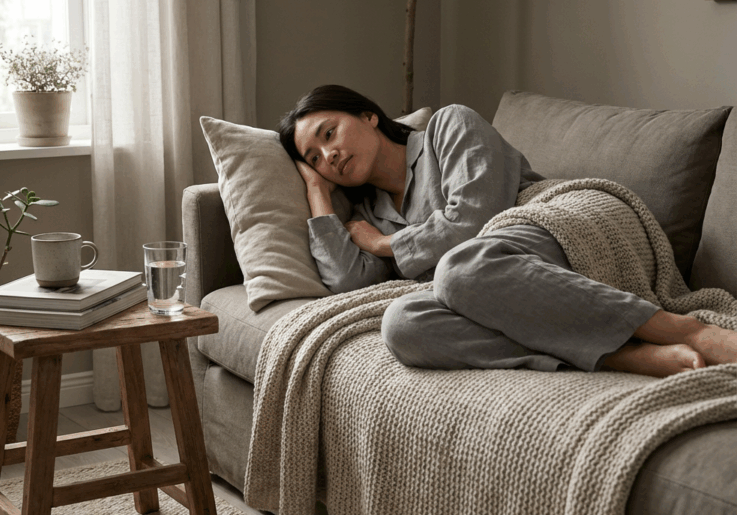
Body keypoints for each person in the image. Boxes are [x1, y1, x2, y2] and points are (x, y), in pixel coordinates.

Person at [278, 84, 737, 378]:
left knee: (458, 270)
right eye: (315, 158)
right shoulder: (369, 214)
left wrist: (384, 245)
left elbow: (474, 220)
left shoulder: (448, 126)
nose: (328, 155)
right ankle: (622, 353)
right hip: (499, 279)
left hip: (562, 218)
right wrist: (318, 196)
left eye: (329, 133)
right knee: (403, 324)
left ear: (368, 116)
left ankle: (690, 331)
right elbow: (348, 283)